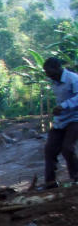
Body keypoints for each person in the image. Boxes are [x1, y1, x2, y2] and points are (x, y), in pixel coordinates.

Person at [41, 57, 78, 188]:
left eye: (48, 71)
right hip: (60, 120)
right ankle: (50, 182)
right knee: (49, 150)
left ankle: (76, 178)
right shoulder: (54, 82)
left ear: (57, 68)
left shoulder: (73, 79)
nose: (47, 74)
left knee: (67, 148)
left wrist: (64, 106)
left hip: (75, 119)